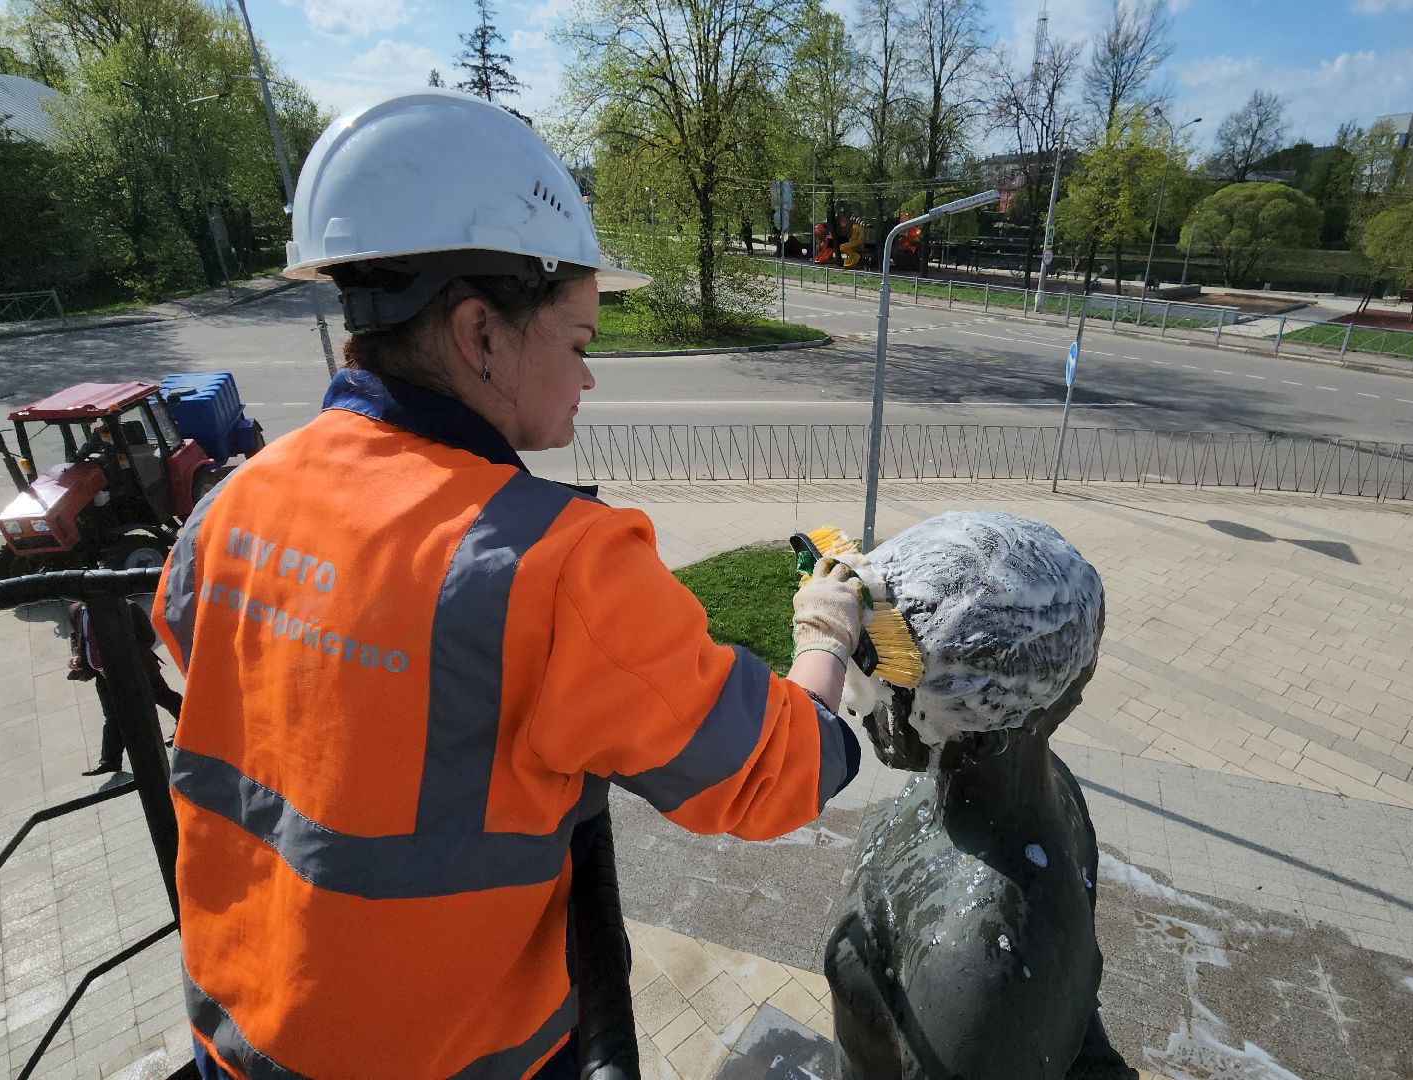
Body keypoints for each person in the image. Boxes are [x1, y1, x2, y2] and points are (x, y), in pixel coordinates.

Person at [150, 88, 864, 1080]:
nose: (589, 378)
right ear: (481, 333)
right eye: (578, 342)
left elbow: (225, 661)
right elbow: (778, 774)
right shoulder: (556, 564)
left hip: (238, 1037)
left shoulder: (234, 502)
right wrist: (825, 633)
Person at [823, 512, 1127, 1079]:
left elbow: (1042, 1009)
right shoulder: (1003, 779)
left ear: (983, 722)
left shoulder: (975, 963)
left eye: (882, 672)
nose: (852, 695)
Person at [67, 598, 183, 775]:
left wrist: (121, 662)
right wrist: (77, 655)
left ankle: (188, 724)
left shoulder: (128, 607)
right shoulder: (75, 610)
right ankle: (110, 760)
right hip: (102, 675)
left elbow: (147, 638)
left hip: (138, 671)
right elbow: (77, 635)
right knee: (112, 716)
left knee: (163, 696)